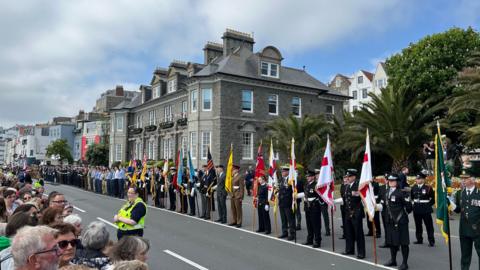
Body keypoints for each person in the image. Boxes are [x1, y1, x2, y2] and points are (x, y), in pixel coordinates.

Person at [450, 170, 480, 270]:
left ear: (473, 180)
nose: (463, 180)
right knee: (465, 256)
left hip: (478, 230)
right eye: (462, 178)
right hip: (464, 230)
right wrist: (450, 204)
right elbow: (458, 210)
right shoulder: (460, 193)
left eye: (465, 178)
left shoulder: (479, 193)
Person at [381, 174, 412, 270]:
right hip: (389, 221)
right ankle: (393, 260)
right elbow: (384, 205)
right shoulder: (386, 192)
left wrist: (403, 214)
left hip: (401, 221)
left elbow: (409, 208)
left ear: (397, 182)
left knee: (403, 242)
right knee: (391, 241)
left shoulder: (402, 193)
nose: (391, 182)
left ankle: (404, 263)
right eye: (389, 180)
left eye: (393, 181)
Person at [341, 169, 365, 259]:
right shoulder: (347, 186)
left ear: (354, 177)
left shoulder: (358, 185)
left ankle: (361, 252)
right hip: (348, 212)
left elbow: (358, 197)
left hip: (356, 212)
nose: (348, 178)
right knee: (348, 232)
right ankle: (349, 249)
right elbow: (346, 199)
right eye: (347, 176)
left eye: (350, 176)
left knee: (358, 233)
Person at [410, 172, 435, 247]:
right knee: (418, 225)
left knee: (429, 226)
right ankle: (419, 239)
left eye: (419, 178)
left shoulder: (428, 188)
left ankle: (431, 241)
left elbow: (433, 199)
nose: (417, 180)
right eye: (417, 179)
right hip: (416, 209)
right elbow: (412, 198)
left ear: (423, 179)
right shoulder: (414, 187)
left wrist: (428, 205)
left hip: (426, 210)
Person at [302, 170, 322, 248]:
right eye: (307, 176)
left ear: (313, 177)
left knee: (316, 224)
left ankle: (317, 240)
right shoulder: (306, 185)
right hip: (307, 207)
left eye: (309, 176)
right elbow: (305, 194)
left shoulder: (316, 185)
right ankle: (310, 239)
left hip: (314, 207)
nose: (308, 178)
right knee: (309, 224)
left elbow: (320, 196)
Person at [277, 166, 295, 241]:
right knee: (283, 219)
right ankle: (285, 232)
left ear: (287, 172)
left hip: (288, 202)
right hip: (281, 202)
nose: (282, 173)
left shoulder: (291, 180)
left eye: (284, 171)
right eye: (282, 171)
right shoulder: (281, 180)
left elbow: (292, 191)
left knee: (290, 219)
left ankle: (292, 233)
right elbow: (279, 189)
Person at [314, 169, 331, 236]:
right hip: (316, 202)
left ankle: (327, 229)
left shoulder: (323, 182)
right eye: (316, 175)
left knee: (325, 216)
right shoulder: (315, 182)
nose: (316, 176)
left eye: (317, 174)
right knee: (317, 217)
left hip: (323, 201)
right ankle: (318, 229)